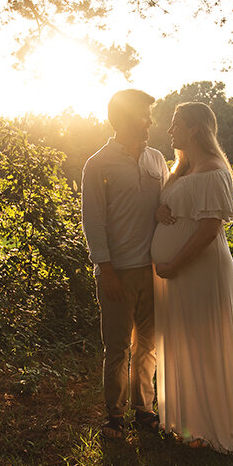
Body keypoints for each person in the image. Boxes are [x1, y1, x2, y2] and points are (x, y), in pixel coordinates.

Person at [151, 101, 233, 454]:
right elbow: (168, 206)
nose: (170, 131)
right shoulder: (182, 168)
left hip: (200, 269)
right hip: (176, 274)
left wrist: (175, 265)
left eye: (175, 124)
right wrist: (159, 209)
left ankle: (216, 429)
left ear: (195, 128)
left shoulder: (215, 171)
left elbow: (208, 230)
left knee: (205, 345)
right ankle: (188, 424)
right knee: (184, 342)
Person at [81, 89, 167, 440]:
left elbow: (166, 203)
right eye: (144, 114)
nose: (149, 121)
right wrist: (107, 270)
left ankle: (143, 409)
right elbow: (93, 221)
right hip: (118, 272)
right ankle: (114, 417)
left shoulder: (157, 159)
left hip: (156, 270)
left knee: (148, 344)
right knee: (118, 346)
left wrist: (166, 211)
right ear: (124, 118)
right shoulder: (98, 164)